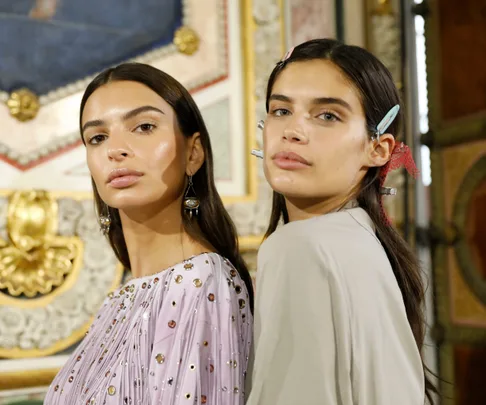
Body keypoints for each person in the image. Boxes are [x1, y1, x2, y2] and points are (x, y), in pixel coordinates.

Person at [44, 63, 253, 405]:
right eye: (98, 137)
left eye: (143, 127)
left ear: (193, 152)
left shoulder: (199, 282)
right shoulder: (120, 298)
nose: (116, 149)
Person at [246, 39, 436, 405]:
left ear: (378, 149)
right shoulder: (364, 241)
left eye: (327, 116)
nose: (292, 131)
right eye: (280, 111)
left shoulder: (301, 247)